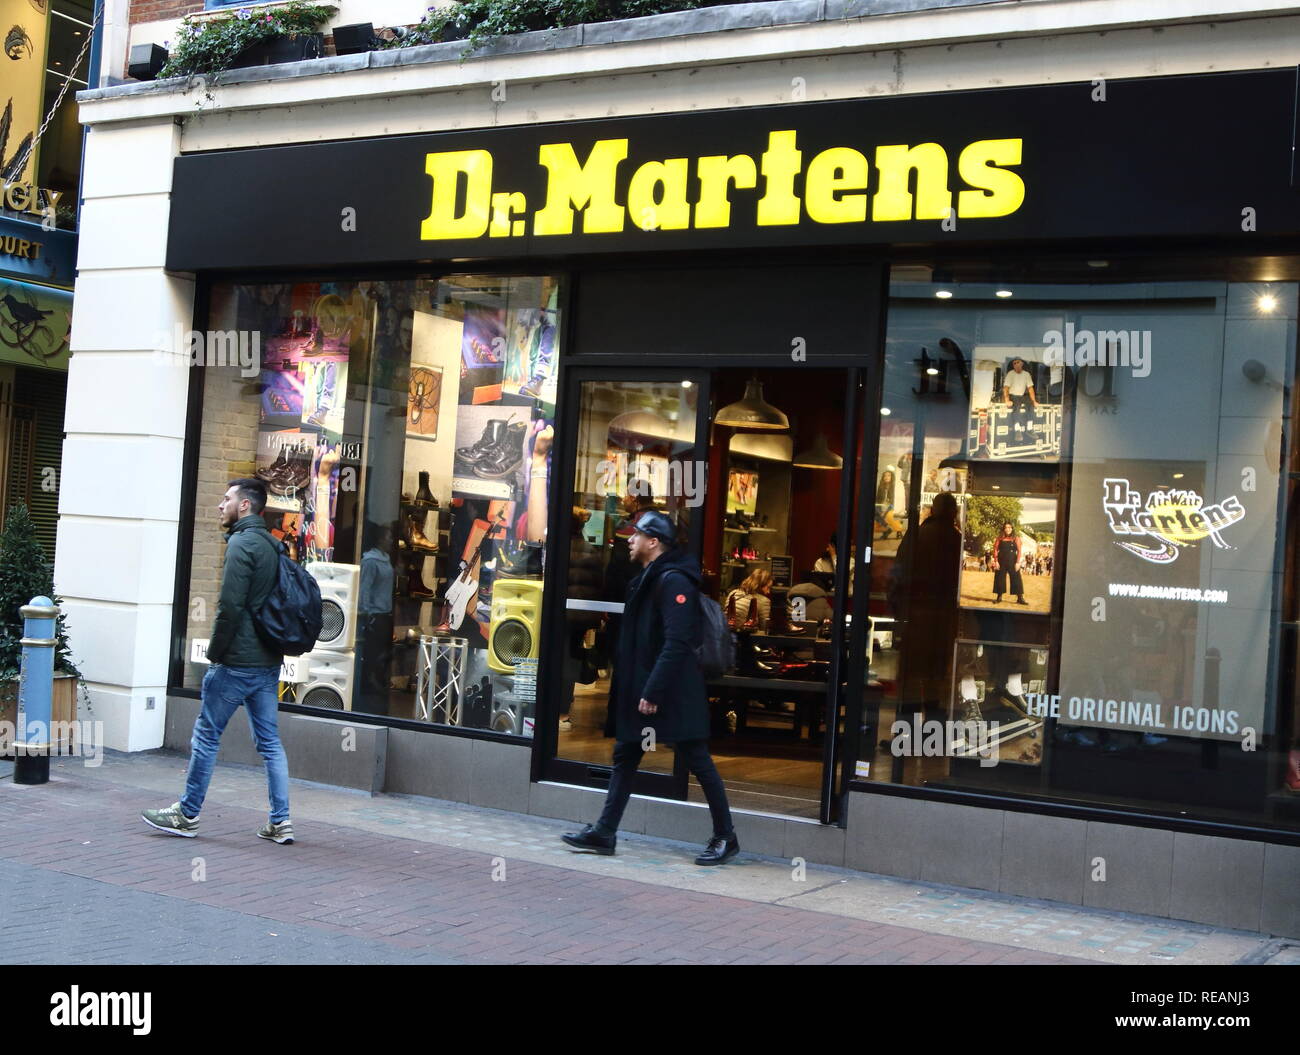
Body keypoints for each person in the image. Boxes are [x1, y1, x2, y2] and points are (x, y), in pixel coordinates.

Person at [563, 510, 739, 865]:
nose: (629, 540)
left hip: (671, 693)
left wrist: (653, 691)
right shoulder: (650, 576)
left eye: (636, 535)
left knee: (698, 761)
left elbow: (677, 642)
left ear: (653, 542)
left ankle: (726, 837)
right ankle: (605, 831)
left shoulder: (673, 581)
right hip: (646, 689)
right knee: (626, 757)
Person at [142, 479, 294, 843]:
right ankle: (281, 821)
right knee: (270, 742)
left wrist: (216, 654)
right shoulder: (274, 546)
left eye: (226, 499)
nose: (219, 505)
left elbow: (230, 607)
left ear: (245, 506)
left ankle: (187, 814)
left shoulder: (242, 545)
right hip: (267, 662)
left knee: (207, 736)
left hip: (237, 662)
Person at [356, 520, 396, 714]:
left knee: (381, 653)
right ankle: (368, 686)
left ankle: (375, 683)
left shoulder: (385, 558)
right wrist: (365, 612)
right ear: (380, 539)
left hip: (385, 612)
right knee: (373, 653)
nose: (391, 540)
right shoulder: (370, 561)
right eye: (388, 537)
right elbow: (364, 588)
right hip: (375, 614)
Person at [993, 520, 1028, 605]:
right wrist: (996, 561)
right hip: (1001, 561)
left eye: (1009, 527)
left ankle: (1020, 598)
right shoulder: (999, 538)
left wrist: (1018, 562)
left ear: (1012, 528)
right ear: (1003, 529)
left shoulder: (1016, 538)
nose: (1007, 529)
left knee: (1016, 579)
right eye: (1006, 527)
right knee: (1000, 578)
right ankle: (999, 597)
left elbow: (1019, 551)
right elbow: (995, 549)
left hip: (1013, 561)